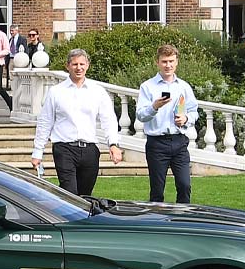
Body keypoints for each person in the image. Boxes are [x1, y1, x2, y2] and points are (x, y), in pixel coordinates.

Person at [30, 49, 123, 196]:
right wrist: (37, 151)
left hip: (90, 149)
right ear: (68, 66)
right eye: (74, 64)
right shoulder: (56, 92)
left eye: (82, 64)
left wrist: (113, 144)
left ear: (87, 65)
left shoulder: (97, 91)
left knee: (85, 196)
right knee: (69, 192)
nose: (78, 68)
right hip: (64, 148)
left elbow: (108, 119)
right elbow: (45, 122)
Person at [136, 43, 198, 203]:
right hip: (157, 143)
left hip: (179, 142)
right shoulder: (147, 87)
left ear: (176, 62)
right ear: (157, 62)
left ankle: (182, 221)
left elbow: (194, 111)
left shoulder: (184, 87)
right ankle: (157, 224)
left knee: (184, 185)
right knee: (157, 189)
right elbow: (141, 116)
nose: (168, 65)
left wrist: (186, 119)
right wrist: (154, 106)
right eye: (164, 61)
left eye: (171, 61)